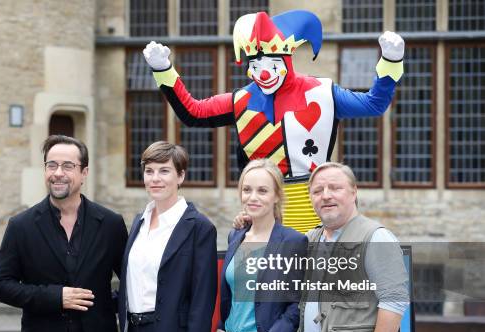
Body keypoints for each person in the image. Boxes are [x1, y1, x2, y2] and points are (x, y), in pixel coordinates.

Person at [143, 10, 405, 233]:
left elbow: (374, 104)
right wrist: (164, 70)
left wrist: (391, 62)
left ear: (286, 60)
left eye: (271, 63)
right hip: (264, 215)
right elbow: (194, 113)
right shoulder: (241, 100)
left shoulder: (323, 92)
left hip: (318, 211)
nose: (263, 73)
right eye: (255, 65)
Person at [0, 135, 128, 332]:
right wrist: (56, 297)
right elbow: (1, 284)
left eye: (67, 166)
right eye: (51, 165)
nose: (58, 173)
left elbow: (131, 281)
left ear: (84, 172)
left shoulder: (111, 224)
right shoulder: (21, 226)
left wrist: (106, 302)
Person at [296, 162, 409, 332]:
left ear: (354, 192)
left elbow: (395, 299)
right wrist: (246, 225)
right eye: (317, 191)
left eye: (334, 188)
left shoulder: (376, 236)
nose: (325, 195)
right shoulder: (310, 239)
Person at [118, 141, 218, 332]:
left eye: (164, 171)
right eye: (149, 171)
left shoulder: (199, 227)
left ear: (181, 176)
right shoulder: (139, 221)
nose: (155, 178)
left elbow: (202, 302)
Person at [216, 159, 307, 332]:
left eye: (262, 190)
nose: (252, 197)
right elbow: (234, 294)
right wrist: (221, 329)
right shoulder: (236, 236)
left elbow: (299, 303)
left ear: (277, 195)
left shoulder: (293, 241)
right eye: (247, 189)